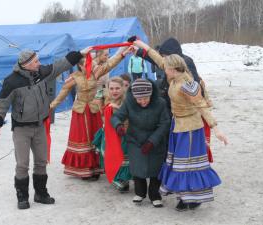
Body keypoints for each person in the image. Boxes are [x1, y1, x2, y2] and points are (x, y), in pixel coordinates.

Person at [133, 39, 228, 211]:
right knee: (179, 164)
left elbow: (201, 106)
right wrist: (142, 46)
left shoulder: (187, 84)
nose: (163, 69)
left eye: (166, 68)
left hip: (190, 128)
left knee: (189, 164)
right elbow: (158, 60)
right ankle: (185, 196)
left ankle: (193, 198)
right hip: (177, 126)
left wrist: (216, 129)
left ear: (174, 69)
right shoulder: (174, 77)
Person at [0, 47, 90, 209]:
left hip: (40, 126)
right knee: (22, 164)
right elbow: (2, 103)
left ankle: (41, 193)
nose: (39, 63)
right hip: (21, 129)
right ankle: (22, 196)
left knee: (41, 162)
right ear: (26, 64)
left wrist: (80, 53)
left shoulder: (42, 73)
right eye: (36, 61)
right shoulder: (12, 81)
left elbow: (61, 65)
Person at [50, 46, 133, 180]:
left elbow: (110, 64)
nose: (92, 66)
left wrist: (123, 53)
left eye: (92, 64)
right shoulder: (74, 77)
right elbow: (63, 92)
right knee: (83, 140)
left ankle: (96, 168)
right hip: (80, 112)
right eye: (88, 65)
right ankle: (84, 170)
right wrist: (51, 106)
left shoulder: (96, 74)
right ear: (81, 66)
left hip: (94, 110)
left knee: (95, 139)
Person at [111, 79, 170, 208]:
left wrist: (152, 141)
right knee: (138, 168)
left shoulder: (160, 103)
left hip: (155, 140)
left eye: (146, 98)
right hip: (135, 140)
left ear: (151, 94)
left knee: (155, 169)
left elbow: (164, 124)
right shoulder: (128, 103)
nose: (142, 101)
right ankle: (140, 193)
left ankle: (154, 195)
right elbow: (116, 117)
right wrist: (118, 126)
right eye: (139, 99)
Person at [93, 77, 132, 192]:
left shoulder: (127, 101)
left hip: (122, 134)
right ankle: (118, 178)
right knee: (109, 156)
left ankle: (124, 180)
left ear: (123, 88)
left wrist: (118, 108)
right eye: (112, 88)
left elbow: (131, 115)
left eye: (117, 88)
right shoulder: (105, 99)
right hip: (108, 134)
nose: (114, 91)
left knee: (122, 157)